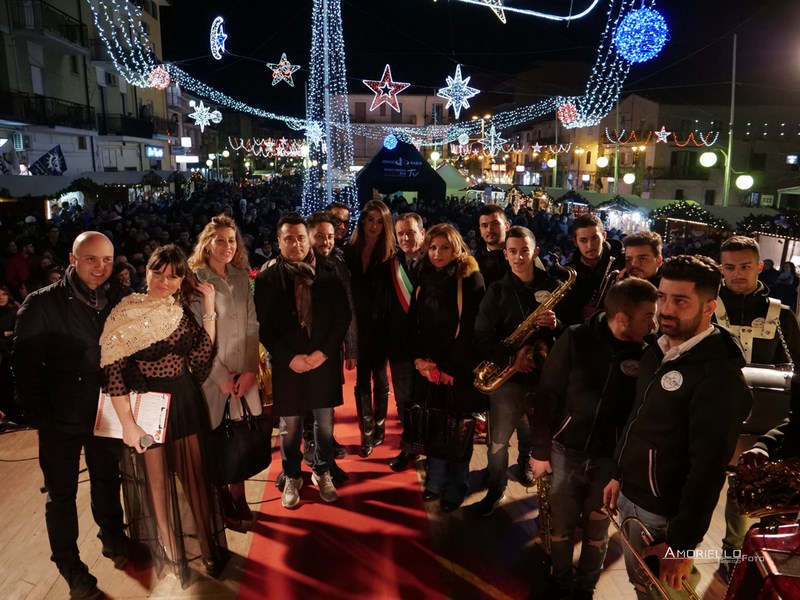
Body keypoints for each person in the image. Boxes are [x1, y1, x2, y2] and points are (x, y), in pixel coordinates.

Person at [603, 255, 752, 599]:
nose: (666, 309)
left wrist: (682, 546)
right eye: (662, 297)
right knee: (643, 585)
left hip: (664, 516)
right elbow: (637, 417)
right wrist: (618, 473)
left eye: (681, 301)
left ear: (709, 307)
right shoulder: (658, 350)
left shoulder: (719, 378)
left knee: (664, 593)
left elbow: (708, 471)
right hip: (632, 496)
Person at [12, 232, 134, 600]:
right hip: (59, 417)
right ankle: (70, 567)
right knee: (61, 494)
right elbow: (24, 367)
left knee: (107, 478)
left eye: (107, 259)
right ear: (73, 259)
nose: (101, 267)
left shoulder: (118, 298)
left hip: (105, 409)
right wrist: (41, 417)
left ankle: (112, 535)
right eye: (92, 259)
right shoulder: (41, 304)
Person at [99, 244, 227, 584]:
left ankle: (207, 546)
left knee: (195, 479)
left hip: (184, 400)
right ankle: (171, 551)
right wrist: (128, 424)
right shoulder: (124, 313)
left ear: (181, 280)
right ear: (147, 271)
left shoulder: (178, 311)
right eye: (158, 273)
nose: (163, 281)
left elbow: (201, 353)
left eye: (172, 277)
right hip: (148, 406)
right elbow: (114, 374)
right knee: (156, 484)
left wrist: (210, 308)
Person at [532, 278, 658, 599]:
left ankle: (585, 588)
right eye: (648, 316)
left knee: (597, 530)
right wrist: (540, 450)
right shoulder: (576, 338)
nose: (654, 323)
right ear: (622, 319)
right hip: (564, 451)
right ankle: (559, 582)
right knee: (560, 527)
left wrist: (620, 468)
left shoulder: (648, 354)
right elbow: (547, 394)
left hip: (608, 461)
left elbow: (639, 417)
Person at [713, 236, 800, 581]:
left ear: (759, 267)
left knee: (747, 490)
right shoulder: (707, 306)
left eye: (745, 266)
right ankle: (684, 551)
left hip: (761, 421)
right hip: (710, 413)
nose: (737, 273)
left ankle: (734, 553)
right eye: (730, 267)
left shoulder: (781, 316)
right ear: (720, 268)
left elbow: (795, 368)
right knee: (698, 485)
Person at [254, 214, 351, 509]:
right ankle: (292, 474)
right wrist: (289, 358)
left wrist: (324, 352)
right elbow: (264, 327)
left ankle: (322, 470)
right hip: (289, 365)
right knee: (290, 426)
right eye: (289, 239)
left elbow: (342, 316)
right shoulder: (268, 279)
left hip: (323, 361)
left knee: (325, 425)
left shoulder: (329, 272)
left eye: (300, 238)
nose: (295, 244)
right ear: (279, 242)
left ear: (308, 239)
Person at [473, 226, 565, 517]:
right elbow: (481, 337)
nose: (519, 257)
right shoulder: (497, 291)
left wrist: (557, 325)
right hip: (508, 378)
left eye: (524, 251)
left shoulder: (552, 286)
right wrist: (512, 359)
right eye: (512, 251)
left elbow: (570, 334)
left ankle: (525, 462)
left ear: (535, 251)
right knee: (498, 441)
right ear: (505, 254)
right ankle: (496, 487)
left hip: (542, 379)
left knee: (531, 432)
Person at [188, 215, 262, 533]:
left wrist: (250, 368)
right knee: (218, 439)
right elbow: (196, 337)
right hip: (211, 376)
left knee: (241, 438)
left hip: (243, 372)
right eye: (220, 240)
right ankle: (220, 498)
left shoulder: (241, 276)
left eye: (232, 240)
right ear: (207, 244)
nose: (227, 246)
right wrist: (221, 378)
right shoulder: (194, 279)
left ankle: (238, 495)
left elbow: (252, 323)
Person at [410, 223, 486, 512]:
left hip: (458, 368)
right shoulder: (423, 275)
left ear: (456, 248)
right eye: (432, 247)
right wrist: (420, 361)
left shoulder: (470, 278)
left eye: (444, 247)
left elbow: (471, 328)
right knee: (433, 424)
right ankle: (436, 481)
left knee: (458, 430)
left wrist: (449, 368)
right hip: (428, 368)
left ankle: (456, 486)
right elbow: (414, 323)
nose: (437, 253)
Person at [344, 200, 395, 456]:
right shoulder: (349, 250)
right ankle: (366, 432)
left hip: (383, 325)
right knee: (362, 379)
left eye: (379, 221)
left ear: (385, 225)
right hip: (358, 324)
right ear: (362, 220)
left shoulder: (391, 254)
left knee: (381, 376)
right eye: (370, 219)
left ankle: (380, 425)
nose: (374, 226)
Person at [387, 213, 426, 471]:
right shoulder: (391, 264)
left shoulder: (436, 260)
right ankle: (410, 445)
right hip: (400, 346)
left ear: (422, 233)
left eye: (411, 232)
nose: (405, 238)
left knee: (427, 400)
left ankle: (427, 446)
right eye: (400, 233)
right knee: (404, 401)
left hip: (430, 346)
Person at [559, 214, 625, 326]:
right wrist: (580, 313)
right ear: (575, 242)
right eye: (583, 240)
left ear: (604, 236)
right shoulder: (568, 272)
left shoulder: (622, 262)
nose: (590, 246)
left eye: (594, 238)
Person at [475, 204, 510, 286]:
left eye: (495, 223)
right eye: (484, 225)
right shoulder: (475, 264)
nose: (489, 229)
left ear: (507, 226)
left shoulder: (522, 256)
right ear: (480, 231)